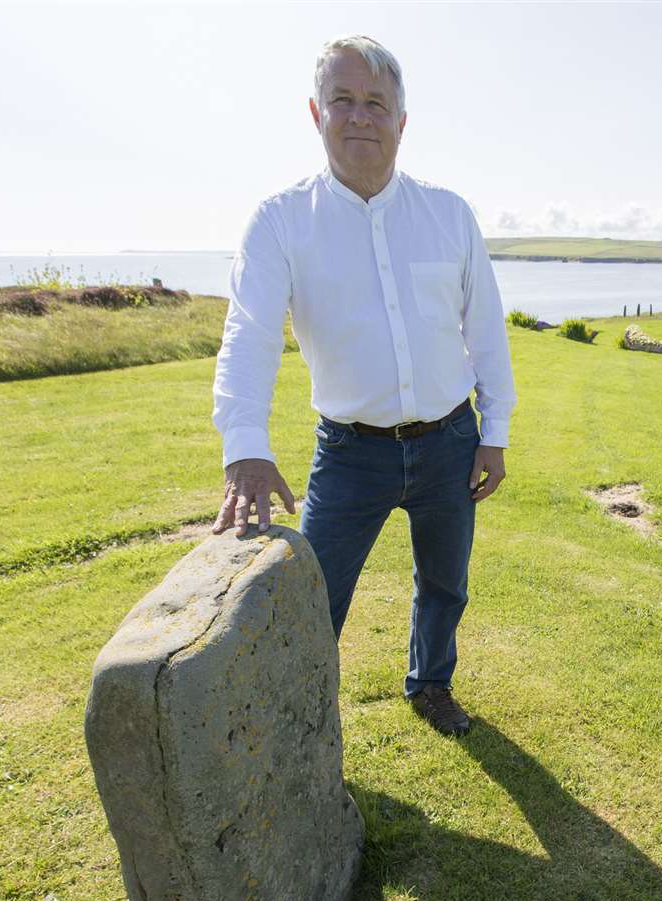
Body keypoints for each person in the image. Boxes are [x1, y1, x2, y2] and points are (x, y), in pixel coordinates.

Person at [210, 34, 515, 737]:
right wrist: (245, 446)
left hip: (448, 444)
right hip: (349, 455)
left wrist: (493, 433)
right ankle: (296, 721)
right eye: (342, 99)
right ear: (315, 113)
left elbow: (486, 331)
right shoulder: (281, 222)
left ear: (402, 122)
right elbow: (249, 335)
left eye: (376, 102)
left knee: (445, 586)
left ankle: (430, 685)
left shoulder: (449, 215)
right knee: (316, 596)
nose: (360, 116)